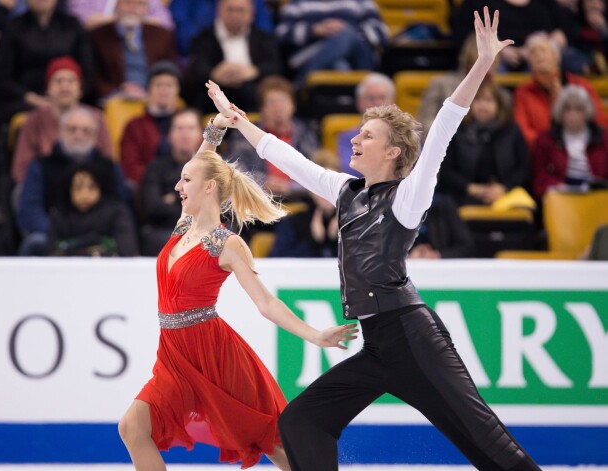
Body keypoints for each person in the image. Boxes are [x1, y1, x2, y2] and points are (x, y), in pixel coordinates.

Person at [206, 7, 543, 470]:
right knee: (303, 421)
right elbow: (290, 159)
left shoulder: (408, 197)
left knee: (484, 441)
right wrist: (238, 121)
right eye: (357, 133)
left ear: (393, 151)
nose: (356, 140)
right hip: (380, 343)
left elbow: (444, 125)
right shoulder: (345, 192)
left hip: (415, 340)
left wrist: (482, 63)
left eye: (368, 135)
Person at [117, 114, 358, 470]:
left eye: (185, 180)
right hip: (174, 355)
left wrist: (315, 333)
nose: (177, 187)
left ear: (210, 188)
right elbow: (202, 166)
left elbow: (265, 303)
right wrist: (215, 128)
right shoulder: (183, 227)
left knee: (271, 442)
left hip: (216, 356)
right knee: (133, 427)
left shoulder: (227, 244)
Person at [16, 106, 126, 256]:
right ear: (60, 132)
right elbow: (29, 212)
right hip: (54, 235)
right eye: (72, 129)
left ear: (95, 136)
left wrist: (87, 235)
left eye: (86, 131)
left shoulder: (109, 167)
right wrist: (62, 232)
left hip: (100, 236)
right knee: (36, 242)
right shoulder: (40, 166)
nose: (79, 135)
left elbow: (120, 206)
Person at [11, 56, 113, 185]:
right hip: (46, 188)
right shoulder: (33, 121)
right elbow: (20, 169)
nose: (65, 87)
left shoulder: (97, 119)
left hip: (89, 191)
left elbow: (108, 162)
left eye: (71, 81)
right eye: (58, 81)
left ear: (80, 89)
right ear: (48, 88)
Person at [437, 80, 530, 206]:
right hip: (463, 195)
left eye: (488, 100)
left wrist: (504, 187)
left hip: (505, 195)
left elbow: (523, 168)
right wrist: (471, 188)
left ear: (499, 105)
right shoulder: (457, 129)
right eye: (478, 100)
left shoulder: (511, 130)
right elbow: (447, 171)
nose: (483, 106)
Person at [226, 75, 319, 200]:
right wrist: (262, 182)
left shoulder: (305, 134)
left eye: (282, 101)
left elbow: (316, 174)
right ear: (262, 108)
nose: (278, 107)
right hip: (258, 200)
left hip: (299, 200)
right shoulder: (245, 133)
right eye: (272, 102)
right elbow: (234, 169)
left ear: (293, 105)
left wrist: (290, 187)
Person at [513, 32, 608, 149]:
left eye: (543, 50)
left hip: (582, 147)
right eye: (533, 52)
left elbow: (599, 120)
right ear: (529, 62)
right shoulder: (523, 91)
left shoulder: (580, 85)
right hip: (542, 151)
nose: (538, 55)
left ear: (556, 56)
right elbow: (522, 128)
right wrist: (546, 146)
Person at [187, 0, 282, 113]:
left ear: (251, 14)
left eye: (240, 10)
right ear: (219, 11)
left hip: (253, 92)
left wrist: (254, 71)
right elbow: (196, 67)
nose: (235, 15)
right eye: (230, 10)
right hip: (215, 95)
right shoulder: (202, 38)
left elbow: (276, 66)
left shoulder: (264, 38)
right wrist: (214, 74)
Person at [275, 0, 389, 85]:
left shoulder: (360, 2)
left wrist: (348, 32)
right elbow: (281, 33)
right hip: (312, 54)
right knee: (340, 65)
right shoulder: (298, 4)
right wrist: (313, 30)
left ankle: (301, 83)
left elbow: (381, 32)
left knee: (345, 34)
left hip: (358, 58)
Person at [139, 108, 203, 256]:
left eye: (191, 128)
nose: (185, 134)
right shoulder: (155, 167)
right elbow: (152, 207)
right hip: (165, 231)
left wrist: (173, 198)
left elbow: (223, 208)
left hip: (203, 230)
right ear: (169, 135)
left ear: (201, 135)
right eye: (179, 129)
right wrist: (195, 204)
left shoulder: (213, 168)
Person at [88, 0, 178, 103]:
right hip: (114, 99)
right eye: (127, 2)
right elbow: (93, 75)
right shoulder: (98, 35)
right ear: (116, 6)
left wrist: (153, 90)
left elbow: (172, 69)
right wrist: (118, 91)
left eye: (139, 3)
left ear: (146, 9)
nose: (133, 8)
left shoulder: (161, 35)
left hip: (154, 98)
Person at [531, 84, 608, 199]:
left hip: (597, 195)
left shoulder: (603, 137)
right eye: (568, 109)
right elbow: (540, 177)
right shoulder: (546, 139)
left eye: (578, 109)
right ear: (560, 112)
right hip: (561, 196)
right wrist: (557, 185)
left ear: (587, 111)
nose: (573, 114)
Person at [49, 163, 138, 256]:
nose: (84, 194)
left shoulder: (116, 213)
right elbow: (52, 252)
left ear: (100, 189)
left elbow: (126, 249)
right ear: (69, 190)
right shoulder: (60, 215)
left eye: (91, 188)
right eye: (78, 188)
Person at [120, 60, 183, 190]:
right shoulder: (134, 126)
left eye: (169, 85)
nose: (164, 89)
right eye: (158, 85)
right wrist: (155, 185)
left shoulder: (187, 122)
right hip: (147, 188)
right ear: (148, 90)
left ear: (177, 90)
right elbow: (130, 165)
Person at [337, 72, 395, 176]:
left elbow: (414, 168)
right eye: (371, 98)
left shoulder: (408, 135)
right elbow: (352, 170)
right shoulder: (347, 138)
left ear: (392, 101)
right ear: (359, 102)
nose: (377, 103)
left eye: (382, 97)